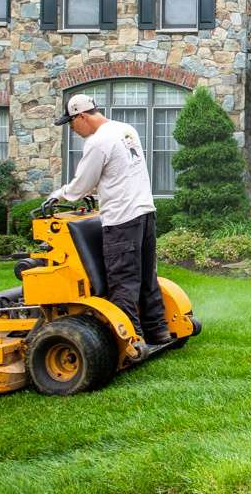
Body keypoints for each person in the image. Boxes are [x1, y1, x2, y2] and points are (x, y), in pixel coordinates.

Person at [50, 93, 171, 349]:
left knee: (123, 281)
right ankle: (157, 331)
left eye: (71, 124)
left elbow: (81, 185)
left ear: (81, 116)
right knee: (147, 277)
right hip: (144, 213)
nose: (73, 130)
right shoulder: (125, 130)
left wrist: (57, 196)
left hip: (121, 220)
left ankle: (131, 342)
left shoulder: (98, 142)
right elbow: (117, 174)